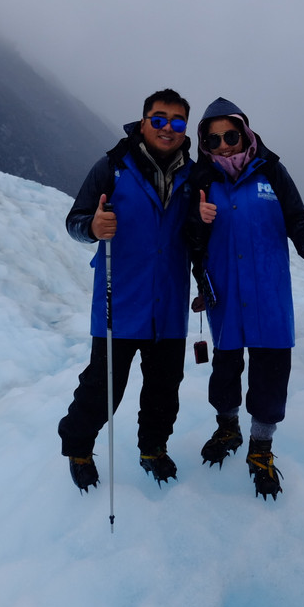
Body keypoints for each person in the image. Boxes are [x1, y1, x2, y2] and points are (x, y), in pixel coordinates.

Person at [187, 97, 304, 500]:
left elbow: (296, 220)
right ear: (204, 144)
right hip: (225, 292)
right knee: (226, 367)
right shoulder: (199, 181)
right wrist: (198, 221)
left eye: (230, 136)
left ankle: (261, 448)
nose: (224, 146)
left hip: (268, 291)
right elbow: (189, 242)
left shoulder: (272, 172)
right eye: (213, 140)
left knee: (270, 371)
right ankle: (228, 427)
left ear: (245, 133)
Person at [59, 89, 194, 492]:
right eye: (159, 118)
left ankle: (152, 448)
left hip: (168, 304)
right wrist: (93, 227)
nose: (167, 128)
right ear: (142, 121)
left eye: (177, 121)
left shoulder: (194, 175)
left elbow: (200, 237)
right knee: (103, 389)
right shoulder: (112, 167)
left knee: (163, 390)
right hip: (118, 300)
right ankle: (78, 448)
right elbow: (75, 220)